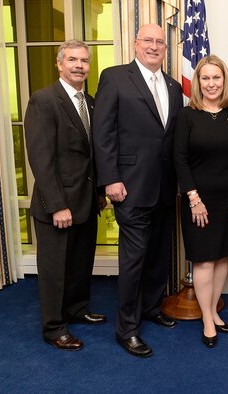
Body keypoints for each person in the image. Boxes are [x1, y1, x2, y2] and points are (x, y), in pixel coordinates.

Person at [93, 24, 183, 358]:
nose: (155, 46)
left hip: (164, 187)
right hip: (128, 187)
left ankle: (150, 307)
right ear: (136, 43)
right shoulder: (115, 77)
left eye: (160, 42)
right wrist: (109, 179)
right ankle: (127, 329)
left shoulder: (174, 87)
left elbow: (169, 140)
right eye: (149, 40)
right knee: (133, 260)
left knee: (159, 255)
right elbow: (102, 134)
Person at [24, 39, 107, 351]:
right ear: (59, 64)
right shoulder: (44, 100)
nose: (79, 66)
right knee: (55, 270)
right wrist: (57, 205)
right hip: (56, 205)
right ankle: (54, 327)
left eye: (84, 60)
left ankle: (76, 308)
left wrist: (99, 192)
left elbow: (92, 154)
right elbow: (40, 160)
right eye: (72, 59)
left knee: (79, 263)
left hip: (86, 201)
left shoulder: (92, 102)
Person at [174, 55, 228, 349]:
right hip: (199, 202)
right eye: (205, 78)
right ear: (197, 82)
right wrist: (193, 198)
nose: (211, 83)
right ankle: (208, 317)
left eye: (216, 78)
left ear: (224, 81)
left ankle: (213, 311)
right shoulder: (187, 116)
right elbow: (179, 160)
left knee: (222, 257)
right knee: (204, 259)